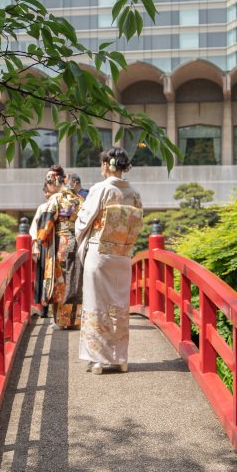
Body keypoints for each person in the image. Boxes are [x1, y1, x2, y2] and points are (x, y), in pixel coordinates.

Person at [75, 147, 143, 374]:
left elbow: (84, 220)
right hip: (122, 254)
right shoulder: (133, 192)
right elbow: (137, 225)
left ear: (106, 164)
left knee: (97, 304)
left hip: (100, 251)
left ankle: (97, 360)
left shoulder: (100, 189)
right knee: (119, 304)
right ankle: (120, 358)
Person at [38, 170, 85, 329]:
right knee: (76, 279)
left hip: (61, 242)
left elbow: (47, 221)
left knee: (60, 281)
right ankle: (75, 320)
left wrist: (41, 239)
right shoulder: (79, 200)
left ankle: (61, 321)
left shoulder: (56, 199)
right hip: (77, 242)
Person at [30, 182, 55, 312]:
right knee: (44, 276)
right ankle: (44, 308)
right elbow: (35, 226)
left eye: (48, 191)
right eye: (45, 191)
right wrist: (35, 245)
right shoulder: (42, 207)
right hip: (44, 245)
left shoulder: (60, 204)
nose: (47, 193)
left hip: (57, 244)